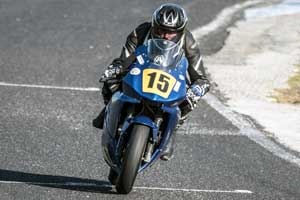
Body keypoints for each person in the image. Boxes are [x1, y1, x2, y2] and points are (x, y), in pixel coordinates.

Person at [93, 3, 210, 161]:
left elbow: (201, 78)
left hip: (170, 76)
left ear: (180, 31)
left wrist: (196, 90)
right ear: (154, 25)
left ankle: (171, 132)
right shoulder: (141, 32)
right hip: (141, 69)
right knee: (111, 80)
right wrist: (116, 68)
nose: (165, 36)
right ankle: (108, 109)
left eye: (171, 33)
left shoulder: (188, 41)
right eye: (161, 30)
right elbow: (124, 58)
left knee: (188, 100)